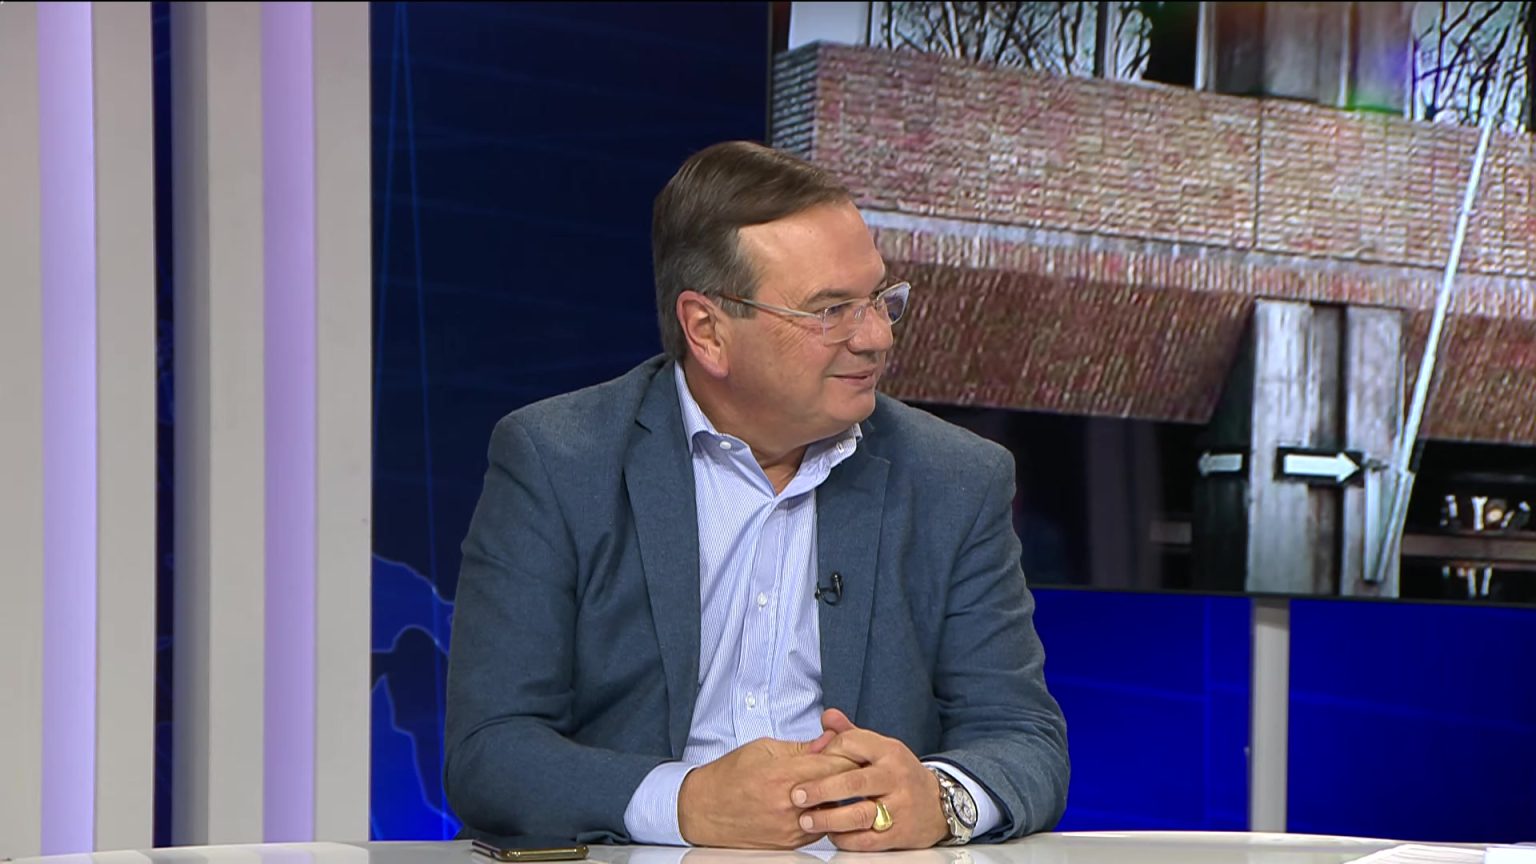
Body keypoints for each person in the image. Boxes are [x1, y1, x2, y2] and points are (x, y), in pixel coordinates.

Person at [443, 141, 1069, 851]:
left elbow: (1024, 737)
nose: (875, 338)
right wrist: (685, 802)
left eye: (878, 300)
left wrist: (940, 798)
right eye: (831, 310)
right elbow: (490, 751)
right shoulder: (559, 461)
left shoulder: (954, 478)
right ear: (707, 330)